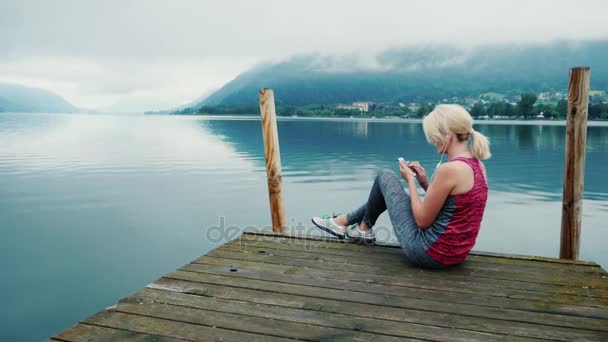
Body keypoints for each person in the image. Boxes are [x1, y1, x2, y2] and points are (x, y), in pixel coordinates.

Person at [312, 104, 491, 268]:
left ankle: (356, 226)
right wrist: (424, 183)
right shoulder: (478, 166)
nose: (432, 141)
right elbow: (452, 209)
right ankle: (355, 227)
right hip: (456, 255)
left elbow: (422, 221)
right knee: (391, 193)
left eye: (433, 136)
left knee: (386, 176)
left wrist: (411, 181)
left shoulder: (449, 169)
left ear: (447, 135)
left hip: (428, 252)